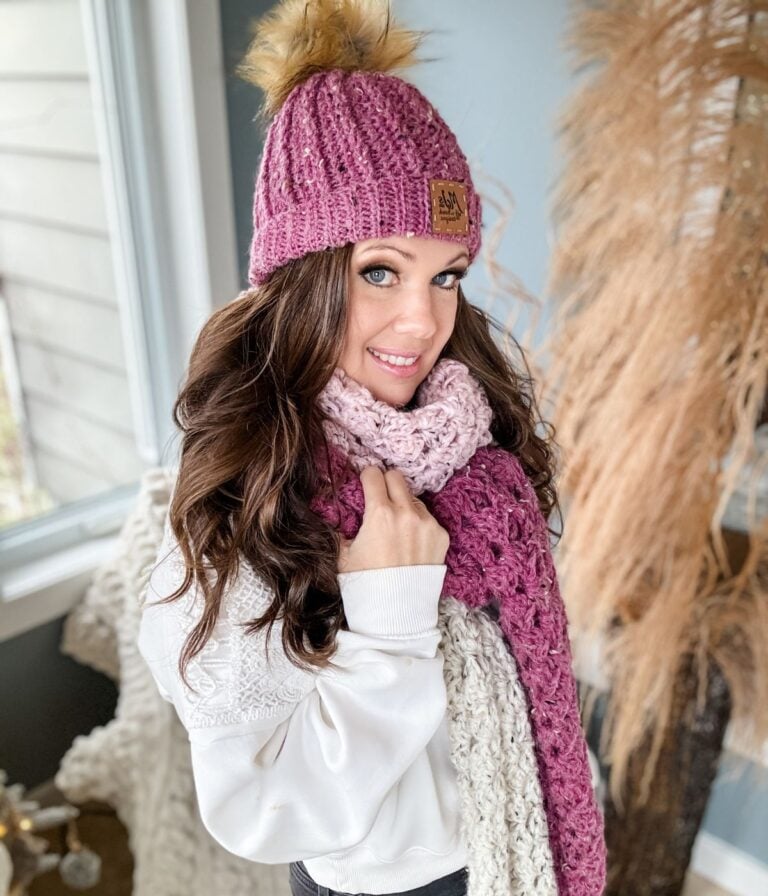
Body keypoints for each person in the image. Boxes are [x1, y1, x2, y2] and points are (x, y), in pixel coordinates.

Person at [137, 1, 607, 895]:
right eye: (379, 271)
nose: (423, 321)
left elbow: (533, 687)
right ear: (300, 278)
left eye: (446, 276)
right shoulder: (245, 495)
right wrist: (388, 626)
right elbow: (263, 809)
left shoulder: (473, 451)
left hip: (514, 850)